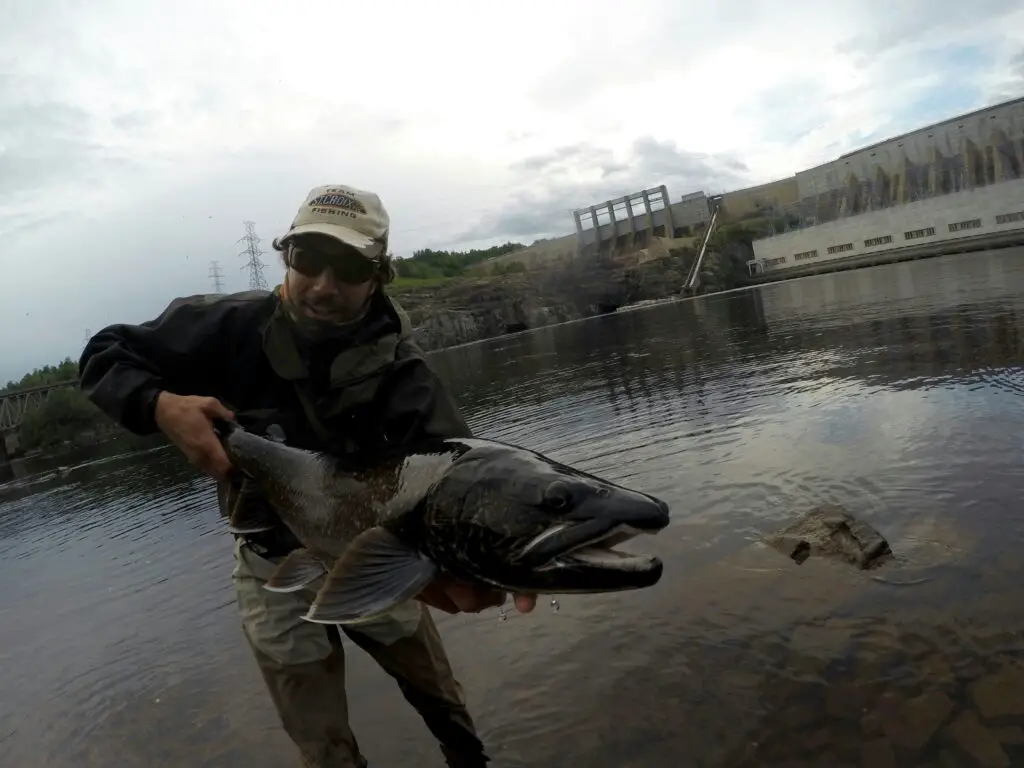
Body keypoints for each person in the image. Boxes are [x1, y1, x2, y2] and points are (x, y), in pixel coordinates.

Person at [79, 183, 537, 767]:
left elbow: (456, 482)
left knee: (442, 703)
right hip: (269, 563)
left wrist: (502, 553)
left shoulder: (405, 374)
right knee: (321, 747)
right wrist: (158, 405)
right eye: (308, 260)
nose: (323, 283)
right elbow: (103, 354)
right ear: (286, 258)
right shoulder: (228, 326)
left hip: (375, 558)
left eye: (347, 266)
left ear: (378, 276)